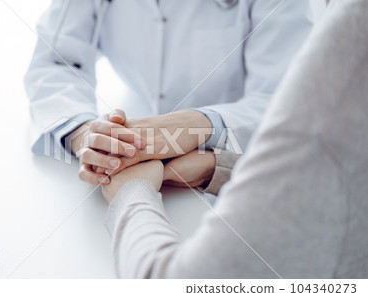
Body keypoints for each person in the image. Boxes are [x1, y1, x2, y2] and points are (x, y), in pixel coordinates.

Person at [101, 0, 368, 278]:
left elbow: (185, 284)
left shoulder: (354, 32)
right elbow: (336, 182)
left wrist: (130, 192)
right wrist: (216, 167)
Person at [25, 0, 313, 186]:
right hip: (141, 150)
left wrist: (199, 125)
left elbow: (287, 102)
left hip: (238, 164)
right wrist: (87, 134)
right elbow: (55, 62)